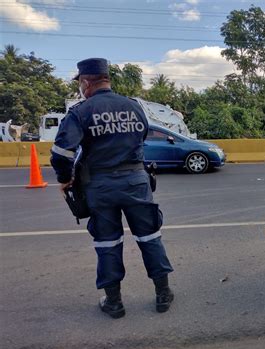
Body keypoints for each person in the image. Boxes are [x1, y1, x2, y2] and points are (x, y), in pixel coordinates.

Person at [51, 58, 174, 319]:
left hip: (100, 185)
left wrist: (65, 179)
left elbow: (61, 153)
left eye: (80, 84)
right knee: (150, 237)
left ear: (86, 82)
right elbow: (142, 137)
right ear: (107, 78)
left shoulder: (80, 112)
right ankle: (163, 294)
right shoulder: (133, 106)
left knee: (107, 243)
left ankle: (114, 302)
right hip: (136, 180)